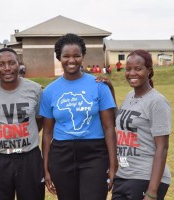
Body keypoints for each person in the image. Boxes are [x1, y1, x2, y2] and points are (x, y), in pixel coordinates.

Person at [40, 33, 118, 200]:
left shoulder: (99, 86)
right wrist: (45, 168)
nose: (71, 60)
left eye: (76, 55)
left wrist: (113, 164)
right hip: (62, 155)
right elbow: (47, 134)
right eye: (66, 56)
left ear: (83, 56)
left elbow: (109, 127)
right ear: (59, 57)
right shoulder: (49, 91)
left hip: (95, 154)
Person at [98, 50, 171, 200]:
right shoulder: (130, 96)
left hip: (145, 177)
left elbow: (162, 147)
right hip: (124, 175)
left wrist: (151, 192)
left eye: (138, 69)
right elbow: (119, 119)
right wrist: (110, 90)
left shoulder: (157, 102)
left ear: (149, 71)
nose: (132, 73)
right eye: (128, 69)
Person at [0, 47, 45, 200]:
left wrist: (22, 135)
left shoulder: (35, 89)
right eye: (1, 64)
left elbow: (39, 119)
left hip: (29, 157)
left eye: (11, 63)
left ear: (19, 64)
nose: (7, 68)